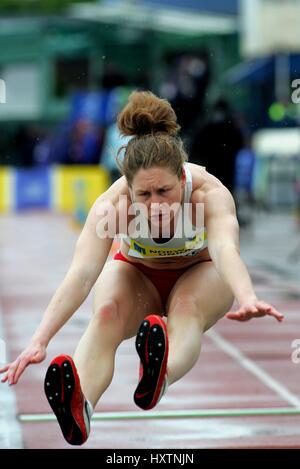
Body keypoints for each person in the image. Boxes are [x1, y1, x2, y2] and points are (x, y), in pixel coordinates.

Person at [0, 91, 284, 446]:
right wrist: (39, 341)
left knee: (185, 309)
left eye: (164, 191)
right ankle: (80, 405)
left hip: (201, 274)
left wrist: (247, 297)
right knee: (105, 313)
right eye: (144, 196)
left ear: (182, 177)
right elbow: (82, 274)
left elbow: (226, 248)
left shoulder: (209, 194)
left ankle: (159, 375)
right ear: (128, 189)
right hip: (138, 276)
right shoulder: (112, 206)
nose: (155, 204)